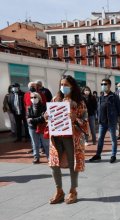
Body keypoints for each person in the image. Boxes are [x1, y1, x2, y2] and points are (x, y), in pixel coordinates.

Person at [47, 75, 88, 205]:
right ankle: (59, 191)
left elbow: (85, 123)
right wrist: (46, 115)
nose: (63, 87)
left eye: (66, 85)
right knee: (53, 164)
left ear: (72, 86)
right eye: (62, 85)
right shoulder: (55, 99)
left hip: (72, 138)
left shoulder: (79, 103)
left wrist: (76, 118)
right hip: (56, 137)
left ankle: (73, 190)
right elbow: (47, 115)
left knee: (73, 163)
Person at [89, 78, 120, 163]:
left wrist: (116, 120)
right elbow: (98, 108)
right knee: (100, 139)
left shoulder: (114, 97)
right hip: (102, 123)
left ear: (110, 85)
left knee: (113, 139)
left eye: (105, 84)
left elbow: (119, 110)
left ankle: (113, 155)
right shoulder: (100, 97)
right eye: (102, 84)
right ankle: (98, 155)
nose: (103, 86)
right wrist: (98, 118)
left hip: (111, 122)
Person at [26, 91, 49, 163]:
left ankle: (49, 157)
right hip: (32, 127)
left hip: (42, 127)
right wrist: (33, 120)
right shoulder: (29, 107)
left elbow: (43, 117)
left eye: (34, 97)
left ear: (39, 98)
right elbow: (28, 118)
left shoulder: (44, 106)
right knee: (34, 143)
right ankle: (36, 157)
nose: (33, 99)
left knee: (46, 144)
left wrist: (33, 119)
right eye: (31, 97)